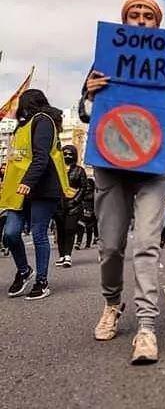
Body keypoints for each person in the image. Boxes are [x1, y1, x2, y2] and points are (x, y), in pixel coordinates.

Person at [79, 0, 165, 365]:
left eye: (149, 16)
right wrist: (90, 94)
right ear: (125, 21)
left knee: (147, 243)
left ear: (158, 24)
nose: (142, 20)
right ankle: (113, 303)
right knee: (111, 246)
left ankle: (147, 325)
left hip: (152, 165)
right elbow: (85, 114)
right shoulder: (103, 62)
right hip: (111, 163)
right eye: (135, 14)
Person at [0, 89, 70, 300]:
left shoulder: (44, 121)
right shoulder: (21, 127)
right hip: (18, 190)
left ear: (28, 103)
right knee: (10, 234)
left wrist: (27, 182)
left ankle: (42, 281)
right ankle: (24, 271)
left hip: (42, 188)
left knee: (39, 234)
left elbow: (41, 157)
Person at [53, 145, 87, 268]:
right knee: (60, 231)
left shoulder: (79, 170)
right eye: (65, 153)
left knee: (69, 229)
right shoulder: (57, 170)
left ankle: (68, 256)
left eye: (70, 154)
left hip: (74, 206)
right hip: (58, 205)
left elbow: (84, 187)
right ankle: (62, 256)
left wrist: (75, 200)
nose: (67, 156)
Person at [76, 177, 97, 249]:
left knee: (88, 228)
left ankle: (86, 243)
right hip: (83, 211)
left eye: (89, 184)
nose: (88, 186)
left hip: (91, 212)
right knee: (82, 226)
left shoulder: (94, 193)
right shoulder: (84, 192)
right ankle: (79, 242)